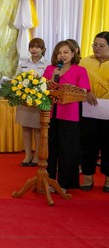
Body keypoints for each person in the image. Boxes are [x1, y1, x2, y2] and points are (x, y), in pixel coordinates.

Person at [43, 40, 90, 190]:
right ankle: (48, 181)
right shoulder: (51, 69)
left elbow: (83, 92)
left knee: (67, 149)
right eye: (59, 53)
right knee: (50, 149)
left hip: (70, 115)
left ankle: (65, 184)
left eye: (66, 52)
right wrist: (51, 81)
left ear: (73, 53)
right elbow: (42, 89)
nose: (62, 55)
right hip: (50, 114)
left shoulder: (80, 70)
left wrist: (67, 90)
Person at [79, 32, 109, 192]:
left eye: (101, 45)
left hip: (108, 112)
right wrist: (85, 92)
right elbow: (75, 82)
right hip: (88, 110)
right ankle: (88, 177)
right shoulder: (84, 62)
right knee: (87, 144)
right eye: (95, 45)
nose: (97, 48)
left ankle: (108, 180)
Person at [15, 37, 48, 166]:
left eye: (37, 47)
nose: (34, 49)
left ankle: (37, 155)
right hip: (24, 101)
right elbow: (17, 79)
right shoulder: (23, 63)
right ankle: (27, 155)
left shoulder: (48, 64)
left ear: (43, 49)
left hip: (39, 101)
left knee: (38, 129)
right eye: (32, 47)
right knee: (26, 127)